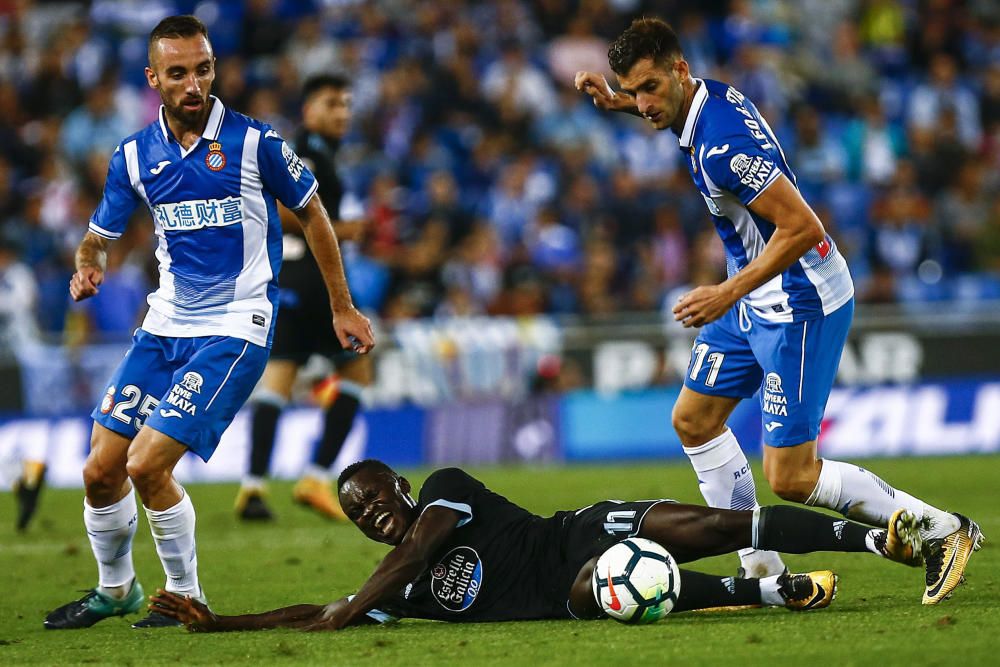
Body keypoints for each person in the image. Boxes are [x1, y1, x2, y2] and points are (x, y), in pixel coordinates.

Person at [574, 17, 982, 605]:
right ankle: (759, 567)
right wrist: (620, 104)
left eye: (648, 89)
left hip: (799, 302)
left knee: (790, 477)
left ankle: (942, 532)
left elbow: (802, 227)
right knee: (694, 419)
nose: (643, 102)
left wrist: (725, 292)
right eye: (633, 90)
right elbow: (667, 107)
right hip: (753, 296)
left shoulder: (722, 145)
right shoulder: (701, 98)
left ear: (679, 70)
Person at [43, 15, 374, 631]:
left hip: (235, 327)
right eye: (178, 74)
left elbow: (315, 214)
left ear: (213, 68)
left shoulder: (255, 143)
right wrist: (89, 266)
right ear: (154, 79)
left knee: (146, 465)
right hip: (164, 326)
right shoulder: (135, 157)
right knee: (98, 471)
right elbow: (96, 237)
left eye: (203, 69)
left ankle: (185, 595)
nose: (193, 84)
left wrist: (341, 304)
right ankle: (117, 590)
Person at [149, 459, 924, 631]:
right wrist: (224, 624)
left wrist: (353, 604)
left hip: (576, 528)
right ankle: (762, 592)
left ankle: (875, 540)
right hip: (572, 590)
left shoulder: (444, 494)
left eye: (380, 499)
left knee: (718, 526)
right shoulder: (403, 594)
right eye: (359, 514)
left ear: (404, 489)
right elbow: (320, 608)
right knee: (618, 583)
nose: (374, 516)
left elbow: (411, 554)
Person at [234, 74, 371, 522]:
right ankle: (314, 477)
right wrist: (345, 230)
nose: (342, 112)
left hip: (287, 278)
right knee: (358, 370)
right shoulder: (309, 154)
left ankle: (252, 488)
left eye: (347, 104)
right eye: (332, 103)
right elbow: (286, 211)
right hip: (313, 280)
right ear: (308, 111)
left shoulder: (314, 153)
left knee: (278, 379)